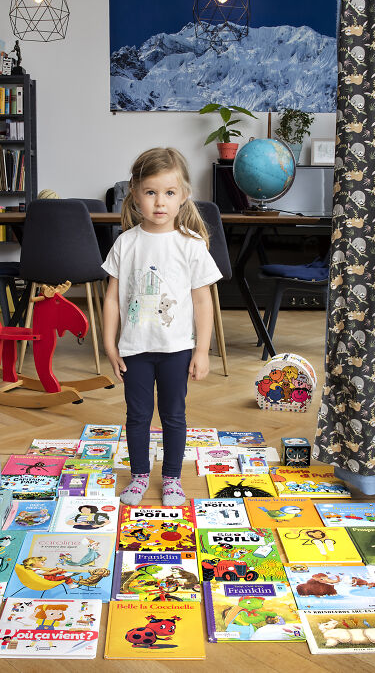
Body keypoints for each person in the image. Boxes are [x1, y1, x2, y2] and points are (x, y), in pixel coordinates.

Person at [102, 147, 222, 506]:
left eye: (169, 193)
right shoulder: (126, 243)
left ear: (183, 195)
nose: (159, 202)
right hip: (134, 349)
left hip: (176, 349)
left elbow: (204, 301)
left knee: (174, 415)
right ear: (135, 194)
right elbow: (111, 299)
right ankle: (139, 474)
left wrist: (202, 349)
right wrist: (110, 344)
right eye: (151, 192)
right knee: (137, 416)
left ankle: (171, 478)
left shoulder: (192, 245)